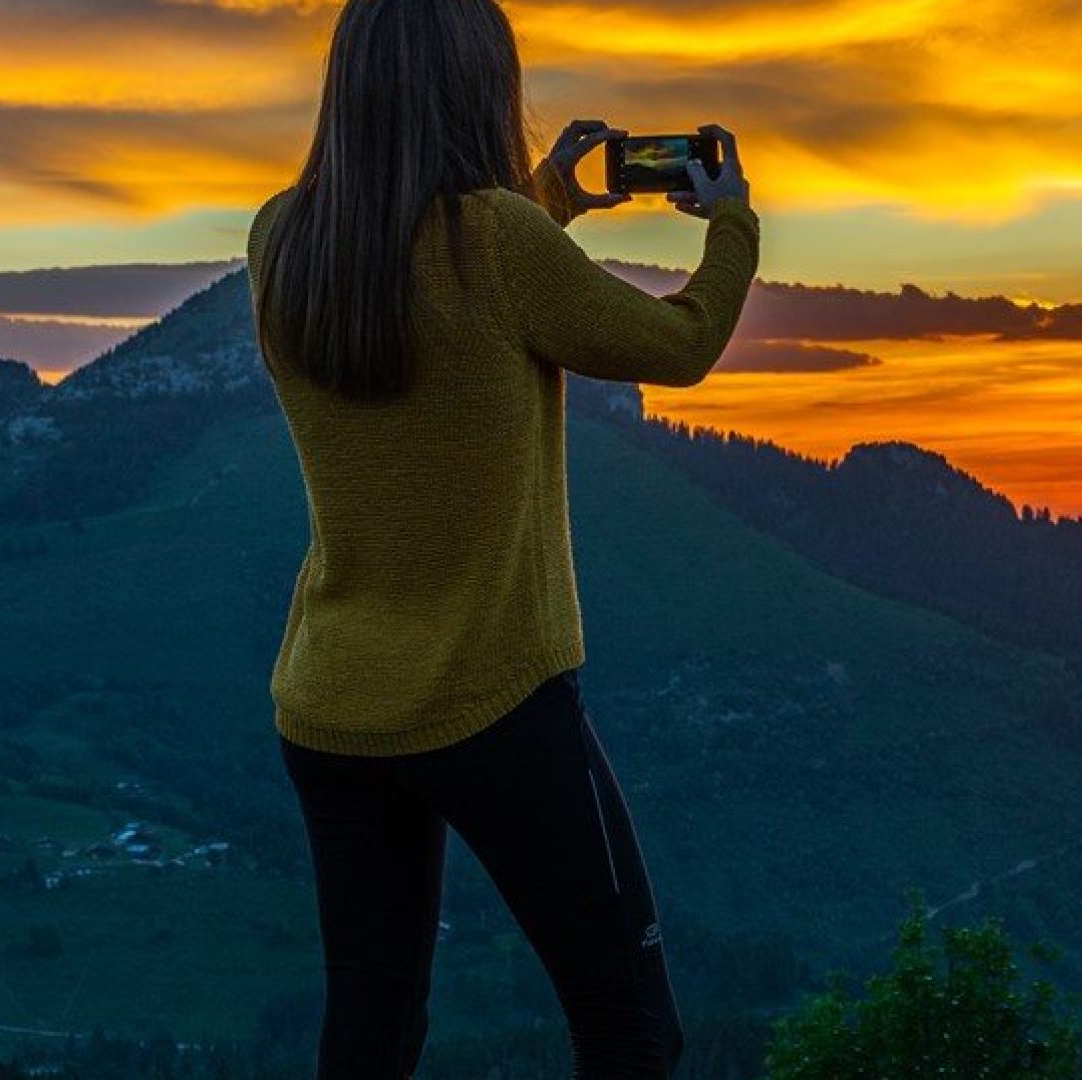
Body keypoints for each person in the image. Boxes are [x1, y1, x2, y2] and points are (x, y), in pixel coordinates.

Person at [244, 0, 757, 1075]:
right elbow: (682, 343)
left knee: (371, 1034)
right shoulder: (498, 241)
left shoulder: (284, 240)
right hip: (493, 700)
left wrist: (550, 203)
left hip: (332, 708)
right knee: (631, 1026)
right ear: (480, 84)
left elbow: (430, 286)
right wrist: (732, 223)